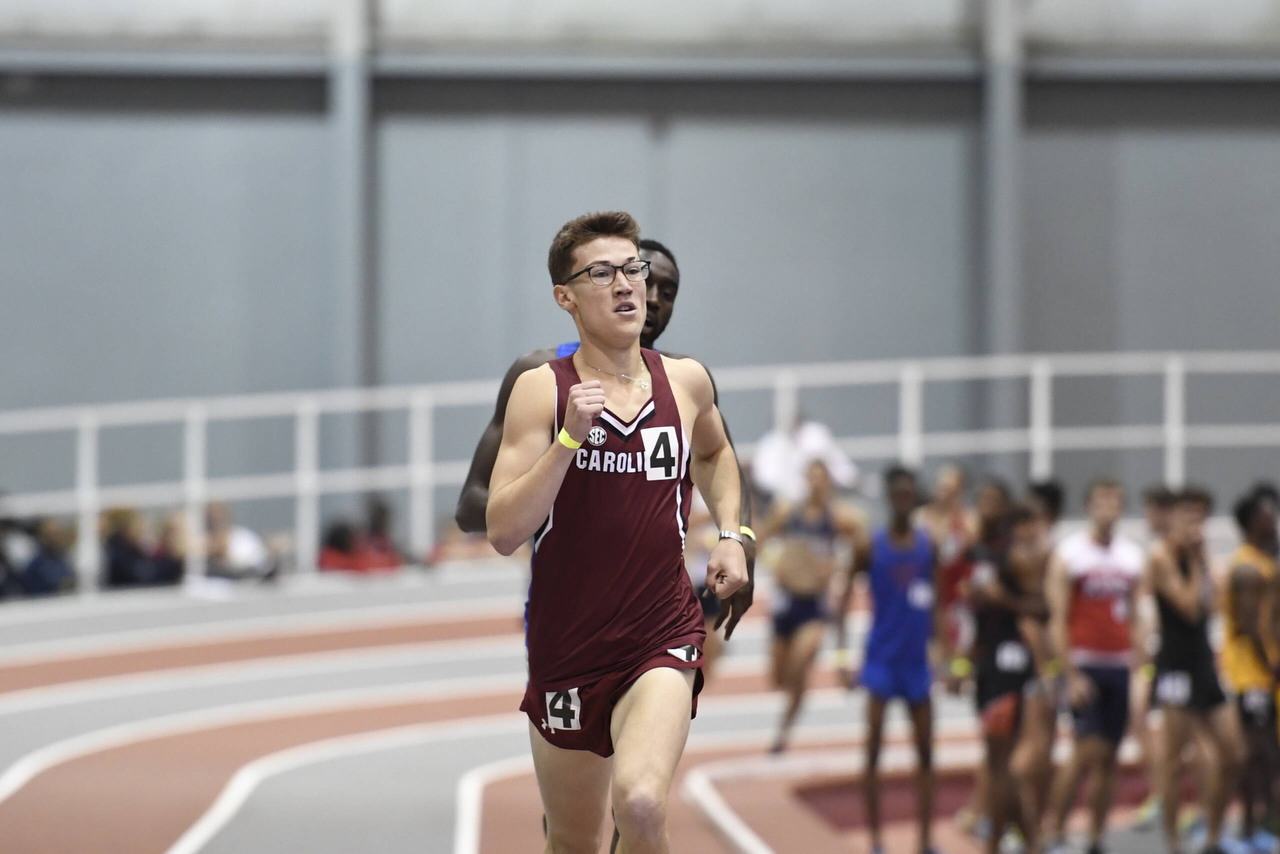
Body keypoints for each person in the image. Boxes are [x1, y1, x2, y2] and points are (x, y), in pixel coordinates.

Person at [486, 211, 748, 854]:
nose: (630, 285)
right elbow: (501, 529)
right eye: (604, 273)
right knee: (573, 840)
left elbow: (714, 455)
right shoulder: (540, 390)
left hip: (660, 630)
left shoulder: (685, 381)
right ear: (566, 297)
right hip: (568, 644)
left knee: (639, 802)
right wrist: (569, 439)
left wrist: (733, 533)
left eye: (632, 268)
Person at [454, 237, 756, 642]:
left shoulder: (686, 381)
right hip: (567, 615)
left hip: (659, 613)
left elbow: (720, 458)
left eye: (668, 292)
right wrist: (573, 494)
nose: (648, 295)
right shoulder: (540, 378)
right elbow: (472, 506)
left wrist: (740, 539)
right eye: (636, 276)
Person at [834, 465, 939, 854]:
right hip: (880, 661)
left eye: (909, 495)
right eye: (897, 495)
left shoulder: (929, 545)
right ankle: (876, 841)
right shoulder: (870, 546)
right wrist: (843, 657)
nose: (903, 501)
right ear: (889, 498)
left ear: (915, 499)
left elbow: (940, 602)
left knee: (927, 752)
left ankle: (925, 840)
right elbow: (844, 598)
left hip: (916, 663)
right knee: (874, 751)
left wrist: (945, 653)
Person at [1045, 479, 1146, 854]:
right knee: (1084, 750)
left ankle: (1096, 836)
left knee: (1110, 755)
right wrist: (1068, 672)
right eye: (1102, 501)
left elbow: (1135, 613)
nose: (1109, 508)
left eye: (1116, 501)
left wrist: (1140, 663)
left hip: (1118, 663)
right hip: (1084, 663)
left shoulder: (1131, 556)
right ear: (1089, 506)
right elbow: (1057, 616)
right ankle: (1053, 830)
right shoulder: (1070, 554)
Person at [757, 459, 863, 753]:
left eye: (822, 478)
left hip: (814, 604)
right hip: (785, 600)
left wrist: (841, 567)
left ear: (828, 482)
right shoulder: (788, 512)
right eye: (812, 477)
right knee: (779, 678)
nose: (816, 484)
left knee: (800, 661)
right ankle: (794, 699)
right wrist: (773, 563)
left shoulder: (838, 518)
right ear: (805, 480)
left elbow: (862, 540)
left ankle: (784, 731)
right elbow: (759, 538)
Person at [966, 502, 1044, 854]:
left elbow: (1041, 609)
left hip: (1009, 667)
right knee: (998, 764)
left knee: (1002, 765)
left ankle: (1007, 842)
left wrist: (1006, 599)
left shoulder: (1021, 561)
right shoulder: (986, 557)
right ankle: (1024, 841)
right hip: (990, 665)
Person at [1224, 483, 1280, 852]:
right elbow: (1249, 625)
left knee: (1268, 749)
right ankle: (1251, 825)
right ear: (1249, 523)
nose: (1273, 520)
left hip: (1266, 670)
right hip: (1252, 672)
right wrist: (1270, 666)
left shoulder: (1266, 559)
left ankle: (1262, 821)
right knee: (1259, 751)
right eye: (1266, 515)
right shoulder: (1246, 568)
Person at [917, 465, 979, 661]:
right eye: (942, 486)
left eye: (951, 488)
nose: (945, 492)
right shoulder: (920, 518)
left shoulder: (968, 519)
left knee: (960, 648)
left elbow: (974, 555)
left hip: (956, 593)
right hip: (929, 591)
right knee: (931, 649)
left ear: (959, 491)